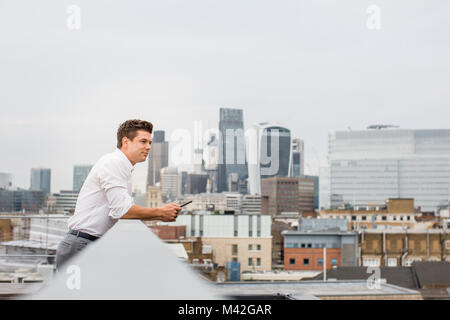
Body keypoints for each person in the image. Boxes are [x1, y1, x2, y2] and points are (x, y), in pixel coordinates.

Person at [55, 119, 181, 270]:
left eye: (150, 142)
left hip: (89, 245)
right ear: (126, 142)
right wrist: (160, 213)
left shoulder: (123, 168)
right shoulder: (113, 163)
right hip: (81, 246)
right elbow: (121, 210)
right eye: (143, 141)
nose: (148, 147)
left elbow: (118, 213)